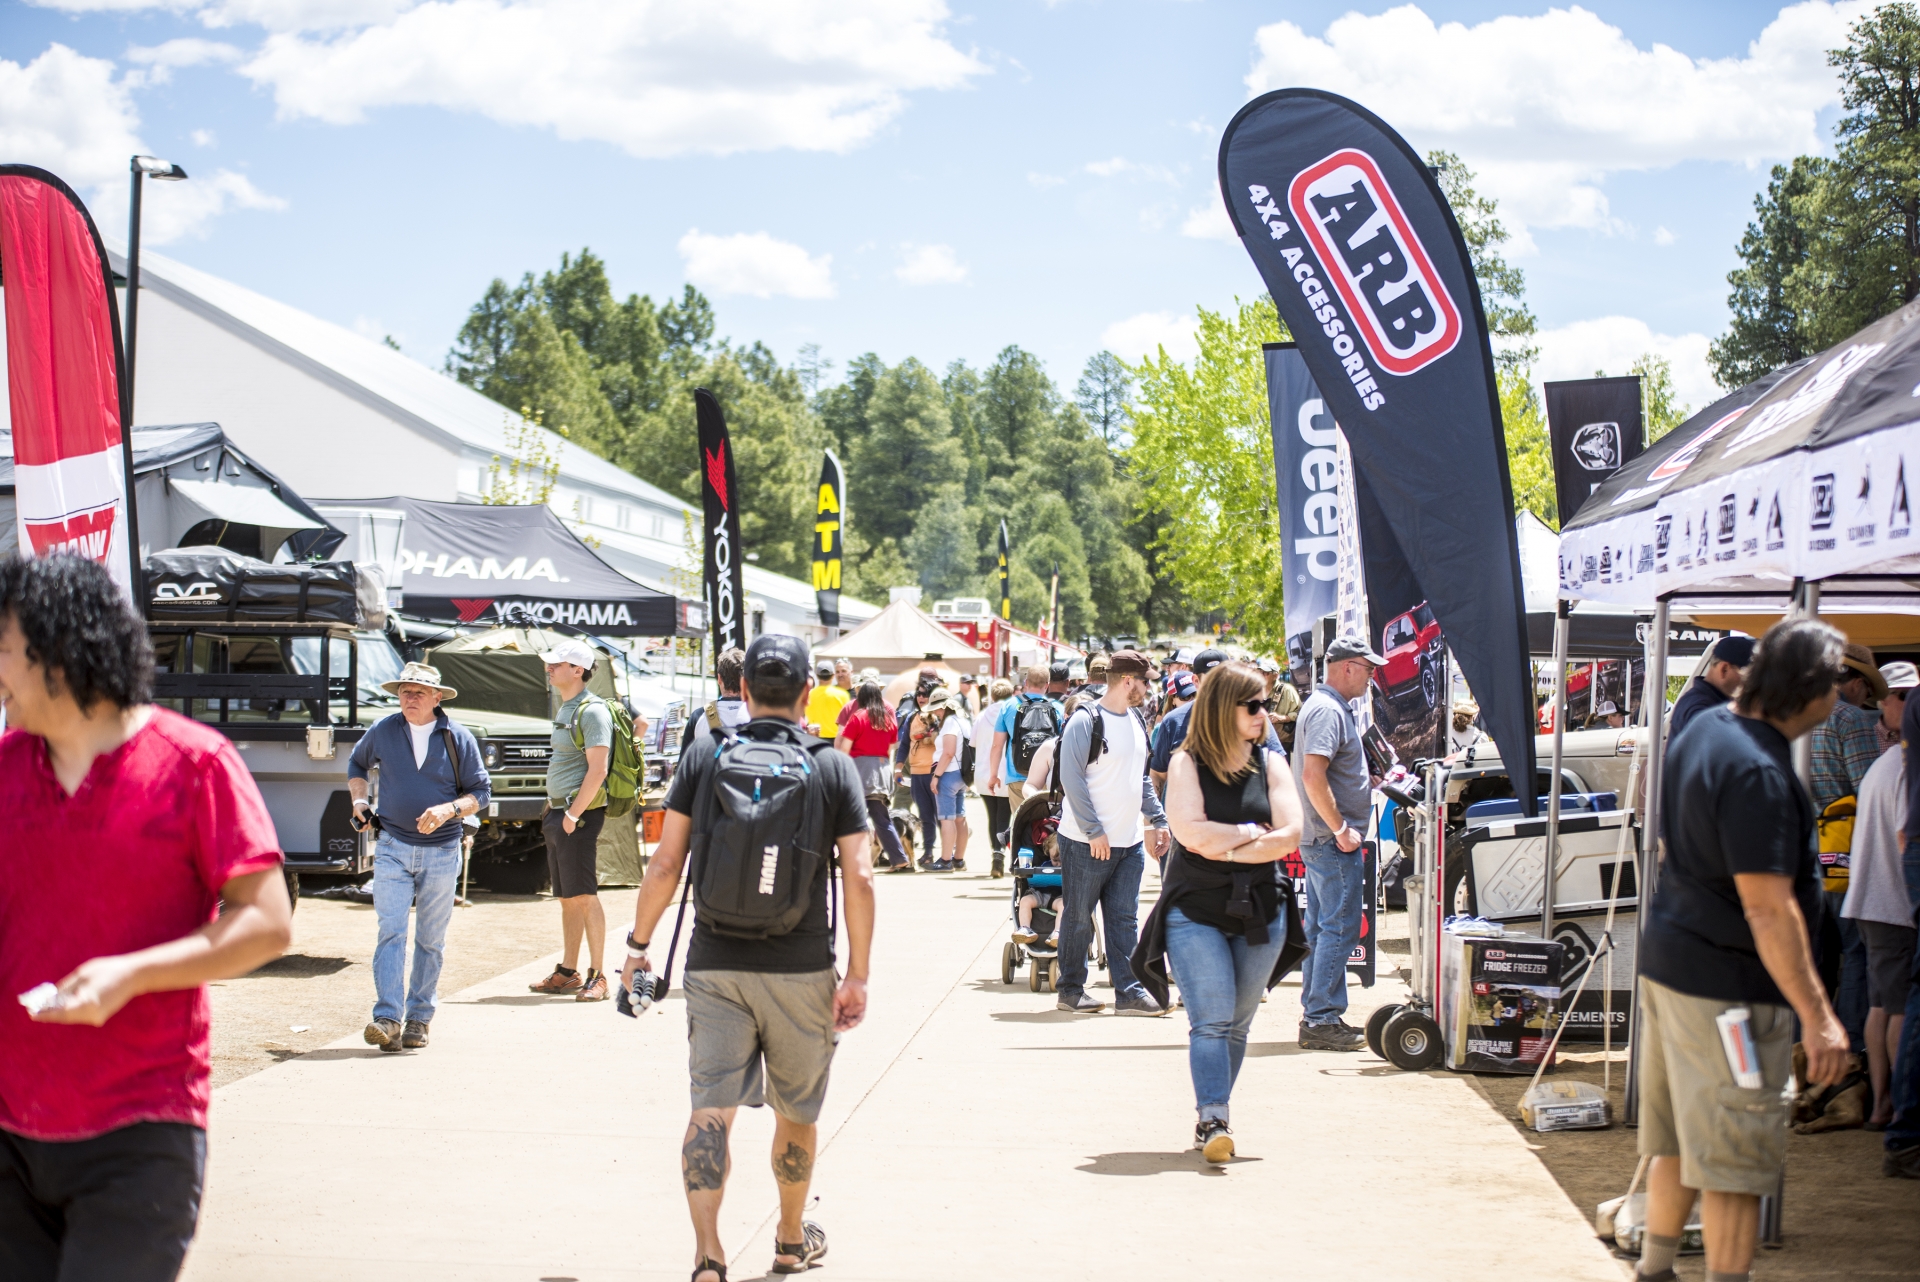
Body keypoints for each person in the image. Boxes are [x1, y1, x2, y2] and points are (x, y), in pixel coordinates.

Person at [0, 554, 292, 1280]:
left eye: (4, 650)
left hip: (142, 1129)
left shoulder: (196, 765)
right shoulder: (4, 768)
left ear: (59, 652)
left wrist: (131, 974)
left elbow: (267, 919)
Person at [619, 633, 875, 1282]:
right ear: (808, 691)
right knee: (796, 1113)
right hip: (801, 966)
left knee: (710, 1111)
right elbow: (861, 878)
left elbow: (667, 864)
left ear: (743, 690)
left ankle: (707, 1253)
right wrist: (858, 976)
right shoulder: (831, 766)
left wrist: (638, 949)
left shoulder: (706, 754)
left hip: (714, 963)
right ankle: (790, 1239)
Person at [1634, 618, 1850, 1282]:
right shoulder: (1758, 770)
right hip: (1727, 993)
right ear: (1810, 690)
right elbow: (1767, 906)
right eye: (1839, 683)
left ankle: (1655, 1269)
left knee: (1676, 1143)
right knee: (1732, 1159)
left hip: (1674, 965)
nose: (1841, 698)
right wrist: (1818, 1016)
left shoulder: (1704, 726)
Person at [1132, 661, 1306, 1162]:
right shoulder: (1188, 763)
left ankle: (1214, 1112)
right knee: (1210, 1021)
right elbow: (1191, 834)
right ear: (1222, 708)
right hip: (1196, 907)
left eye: (1265, 704)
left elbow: (1291, 834)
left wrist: (1229, 845)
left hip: (1262, 908)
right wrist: (1256, 835)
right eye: (1252, 705)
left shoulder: (1272, 762)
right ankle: (1214, 1118)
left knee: (1237, 1024)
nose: (1262, 714)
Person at [347, 661, 491, 1052]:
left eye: (419, 692)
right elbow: (357, 764)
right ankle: (388, 1018)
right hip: (392, 846)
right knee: (390, 932)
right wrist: (360, 801)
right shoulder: (383, 729)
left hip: (443, 851)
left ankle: (419, 1018)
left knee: (430, 940)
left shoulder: (458, 737)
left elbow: (481, 793)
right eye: (404, 691)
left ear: (437, 697)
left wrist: (448, 810)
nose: (409, 698)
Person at [1053, 650, 1171, 1016]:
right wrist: (1093, 831)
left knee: (1124, 918)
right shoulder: (1085, 721)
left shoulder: (1137, 719)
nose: (1148, 688)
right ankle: (1071, 990)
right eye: (1145, 681)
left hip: (1128, 841)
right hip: (1086, 842)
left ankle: (1129, 993)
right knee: (1077, 916)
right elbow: (1070, 779)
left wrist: (1158, 818)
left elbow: (1140, 778)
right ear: (1127, 680)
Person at [1292, 636, 1384, 1051]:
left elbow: (1323, 773)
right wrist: (1340, 828)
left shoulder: (1327, 707)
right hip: (1330, 839)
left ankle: (1318, 1012)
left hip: (1323, 836)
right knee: (1339, 927)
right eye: (1367, 668)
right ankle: (1321, 1017)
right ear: (1347, 667)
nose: (1371, 677)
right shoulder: (1329, 710)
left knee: (1323, 926)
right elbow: (1314, 776)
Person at [528, 639, 615, 1002]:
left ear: (577, 670)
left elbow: (599, 770)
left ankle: (598, 975)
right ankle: (568, 971)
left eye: (556, 664)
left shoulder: (592, 711)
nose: (549, 669)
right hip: (560, 813)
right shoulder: (568, 707)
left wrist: (574, 813)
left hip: (576, 817)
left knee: (585, 896)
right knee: (567, 897)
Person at [1811, 640, 1885, 1052]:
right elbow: (1868, 790)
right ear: (1854, 683)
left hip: (1801, 852)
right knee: (1855, 949)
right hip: (1844, 850)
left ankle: (1809, 1044)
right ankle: (1851, 1044)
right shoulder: (1851, 720)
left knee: (1814, 954)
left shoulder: (1795, 715)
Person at [1843, 727, 1911, 1129]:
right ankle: (1894, 1104)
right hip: (1893, 904)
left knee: (1881, 1005)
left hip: (1868, 901)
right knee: (1900, 1008)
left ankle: (1883, 1102)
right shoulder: (1904, 768)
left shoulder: (1883, 766)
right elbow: (1907, 837)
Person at [1152, 650, 1282, 799]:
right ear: (1196, 681)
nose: (1220, 686)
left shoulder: (1251, 714)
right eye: (1212, 680)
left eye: (1225, 679)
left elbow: (1278, 766)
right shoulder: (1174, 722)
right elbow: (1158, 773)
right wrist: (1156, 816)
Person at [841, 681, 912, 874]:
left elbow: (845, 748)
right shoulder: (887, 720)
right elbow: (890, 748)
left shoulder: (857, 717)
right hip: (881, 770)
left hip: (858, 770)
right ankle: (899, 859)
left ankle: (854, 861)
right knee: (881, 818)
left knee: (853, 817)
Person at [987, 665, 1063, 809]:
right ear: (1047, 685)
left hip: (1017, 776)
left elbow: (997, 745)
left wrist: (993, 775)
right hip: (1048, 779)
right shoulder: (1058, 708)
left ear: (1026, 682)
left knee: (1021, 826)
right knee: (1047, 826)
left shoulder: (1008, 706)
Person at [1668, 635, 1754, 740]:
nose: (1753, 681)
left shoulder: (1709, 702)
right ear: (1724, 669)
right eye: (1749, 674)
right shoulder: (1699, 706)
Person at [972, 677, 1016, 876]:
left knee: (992, 817)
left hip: (984, 772)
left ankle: (996, 854)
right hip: (1006, 772)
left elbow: (972, 743)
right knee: (1004, 819)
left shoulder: (982, 716)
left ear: (992, 695)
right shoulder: (1013, 712)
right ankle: (1000, 856)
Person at [680, 647, 749, 762]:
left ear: (719, 678)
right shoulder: (756, 716)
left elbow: (683, 768)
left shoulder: (699, 717)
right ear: (746, 680)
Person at [930, 686, 972, 872]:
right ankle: (959, 859)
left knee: (946, 819)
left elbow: (948, 752)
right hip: (962, 774)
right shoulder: (963, 720)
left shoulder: (949, 723)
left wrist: (936, 776)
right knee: (959, 817)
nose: (936, 713)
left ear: (944, 707)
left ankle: (945, 860)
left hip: (949, 772)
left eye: (937, 709)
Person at [905, 685, 941, 868]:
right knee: (925, 816)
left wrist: (927, 734)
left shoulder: (941, 718)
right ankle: (928, 853)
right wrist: (897, 767)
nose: (922, 697)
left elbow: (937, 740)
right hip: (917, 772)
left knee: (942, 816)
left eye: (926, 694)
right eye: (918, 694)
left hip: (935, 772)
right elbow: (906, 740)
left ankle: (949, 855)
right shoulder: (913, 717)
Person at [804, 659, 849, 737]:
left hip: (815, 737)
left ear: (817, 676)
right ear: (833, 675)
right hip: (837, 739)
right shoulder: (843, 694)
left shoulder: (808, 695)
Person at [1876, 660, 1914, 753]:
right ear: (1884, 698)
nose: (1913, 701)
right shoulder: (1867, 738)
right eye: (1905, 695)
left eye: (1916, 695)